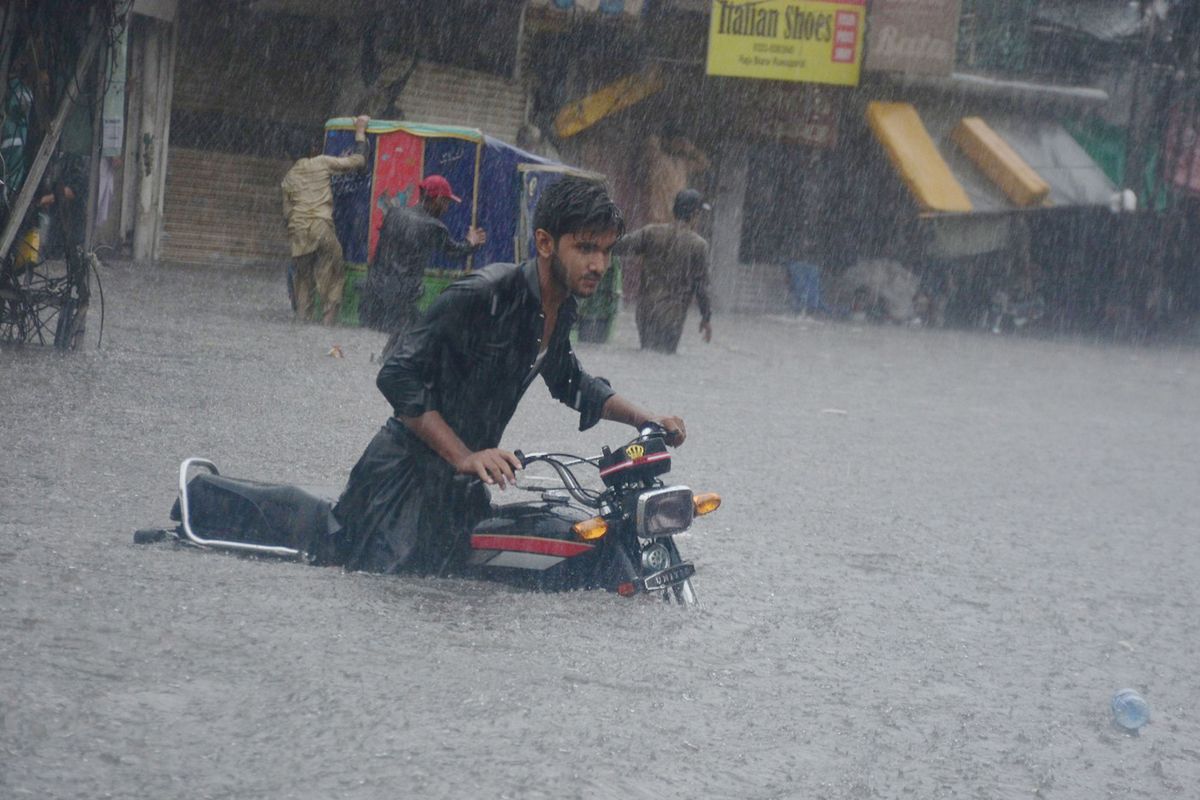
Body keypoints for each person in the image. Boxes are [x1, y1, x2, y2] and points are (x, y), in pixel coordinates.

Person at [329, 175, 689, 574]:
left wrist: (645, 419)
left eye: (606, 251)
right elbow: (397, 375)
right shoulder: (486, 293)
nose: (598, 265)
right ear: (545, 242)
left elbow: (570, 381)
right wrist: (463, 455)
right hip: (399, 485)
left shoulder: (562, 305)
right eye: (586, 248)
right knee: (397, 599)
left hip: (461, 489)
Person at [359, 174, 486, 360]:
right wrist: (471, 243)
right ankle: (389, 367)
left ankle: (384, 361)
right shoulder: (434, 227)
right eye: (446, 202)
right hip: (401, 296)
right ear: (436, 200)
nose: (447, 207)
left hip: (373, 291)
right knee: (421, 332)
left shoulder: (394, 214)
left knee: (406, 331)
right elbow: (453, 252)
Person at [281, 114, 370, 325]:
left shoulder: (288, 178)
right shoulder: (320, 162)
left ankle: (303, 321)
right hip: (321, 227)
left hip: (298, 231)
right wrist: (360, 131)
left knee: (303, 281)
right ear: (314, 149)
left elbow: (287, 215)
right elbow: (358, 161)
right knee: (334, 274)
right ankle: (328, 325)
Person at [613, 188, 713, 353]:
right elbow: (701, 287)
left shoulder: (651, 232)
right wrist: (706, 317)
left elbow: (619, 247)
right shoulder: (698, 245)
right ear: (695, 214)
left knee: (647, 356)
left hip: (645, 313)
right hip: (672, 316)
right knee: (664, 360)